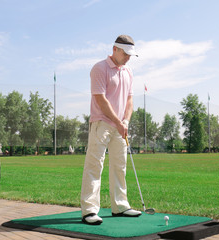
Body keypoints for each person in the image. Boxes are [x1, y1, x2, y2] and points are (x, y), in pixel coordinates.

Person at [80, 35, 141, 225]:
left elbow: (129, 100)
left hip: (120, 126)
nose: (128, 57)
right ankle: (89, 210)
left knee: (119, 165)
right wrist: (117, 121)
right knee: (95, 165)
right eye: (126, 53)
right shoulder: (100, 68)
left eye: (131, 54)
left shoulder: (128, 71)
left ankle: (120, 206)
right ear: (115, 49)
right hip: (102, 123)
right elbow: (100, 99)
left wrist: (126, 121)